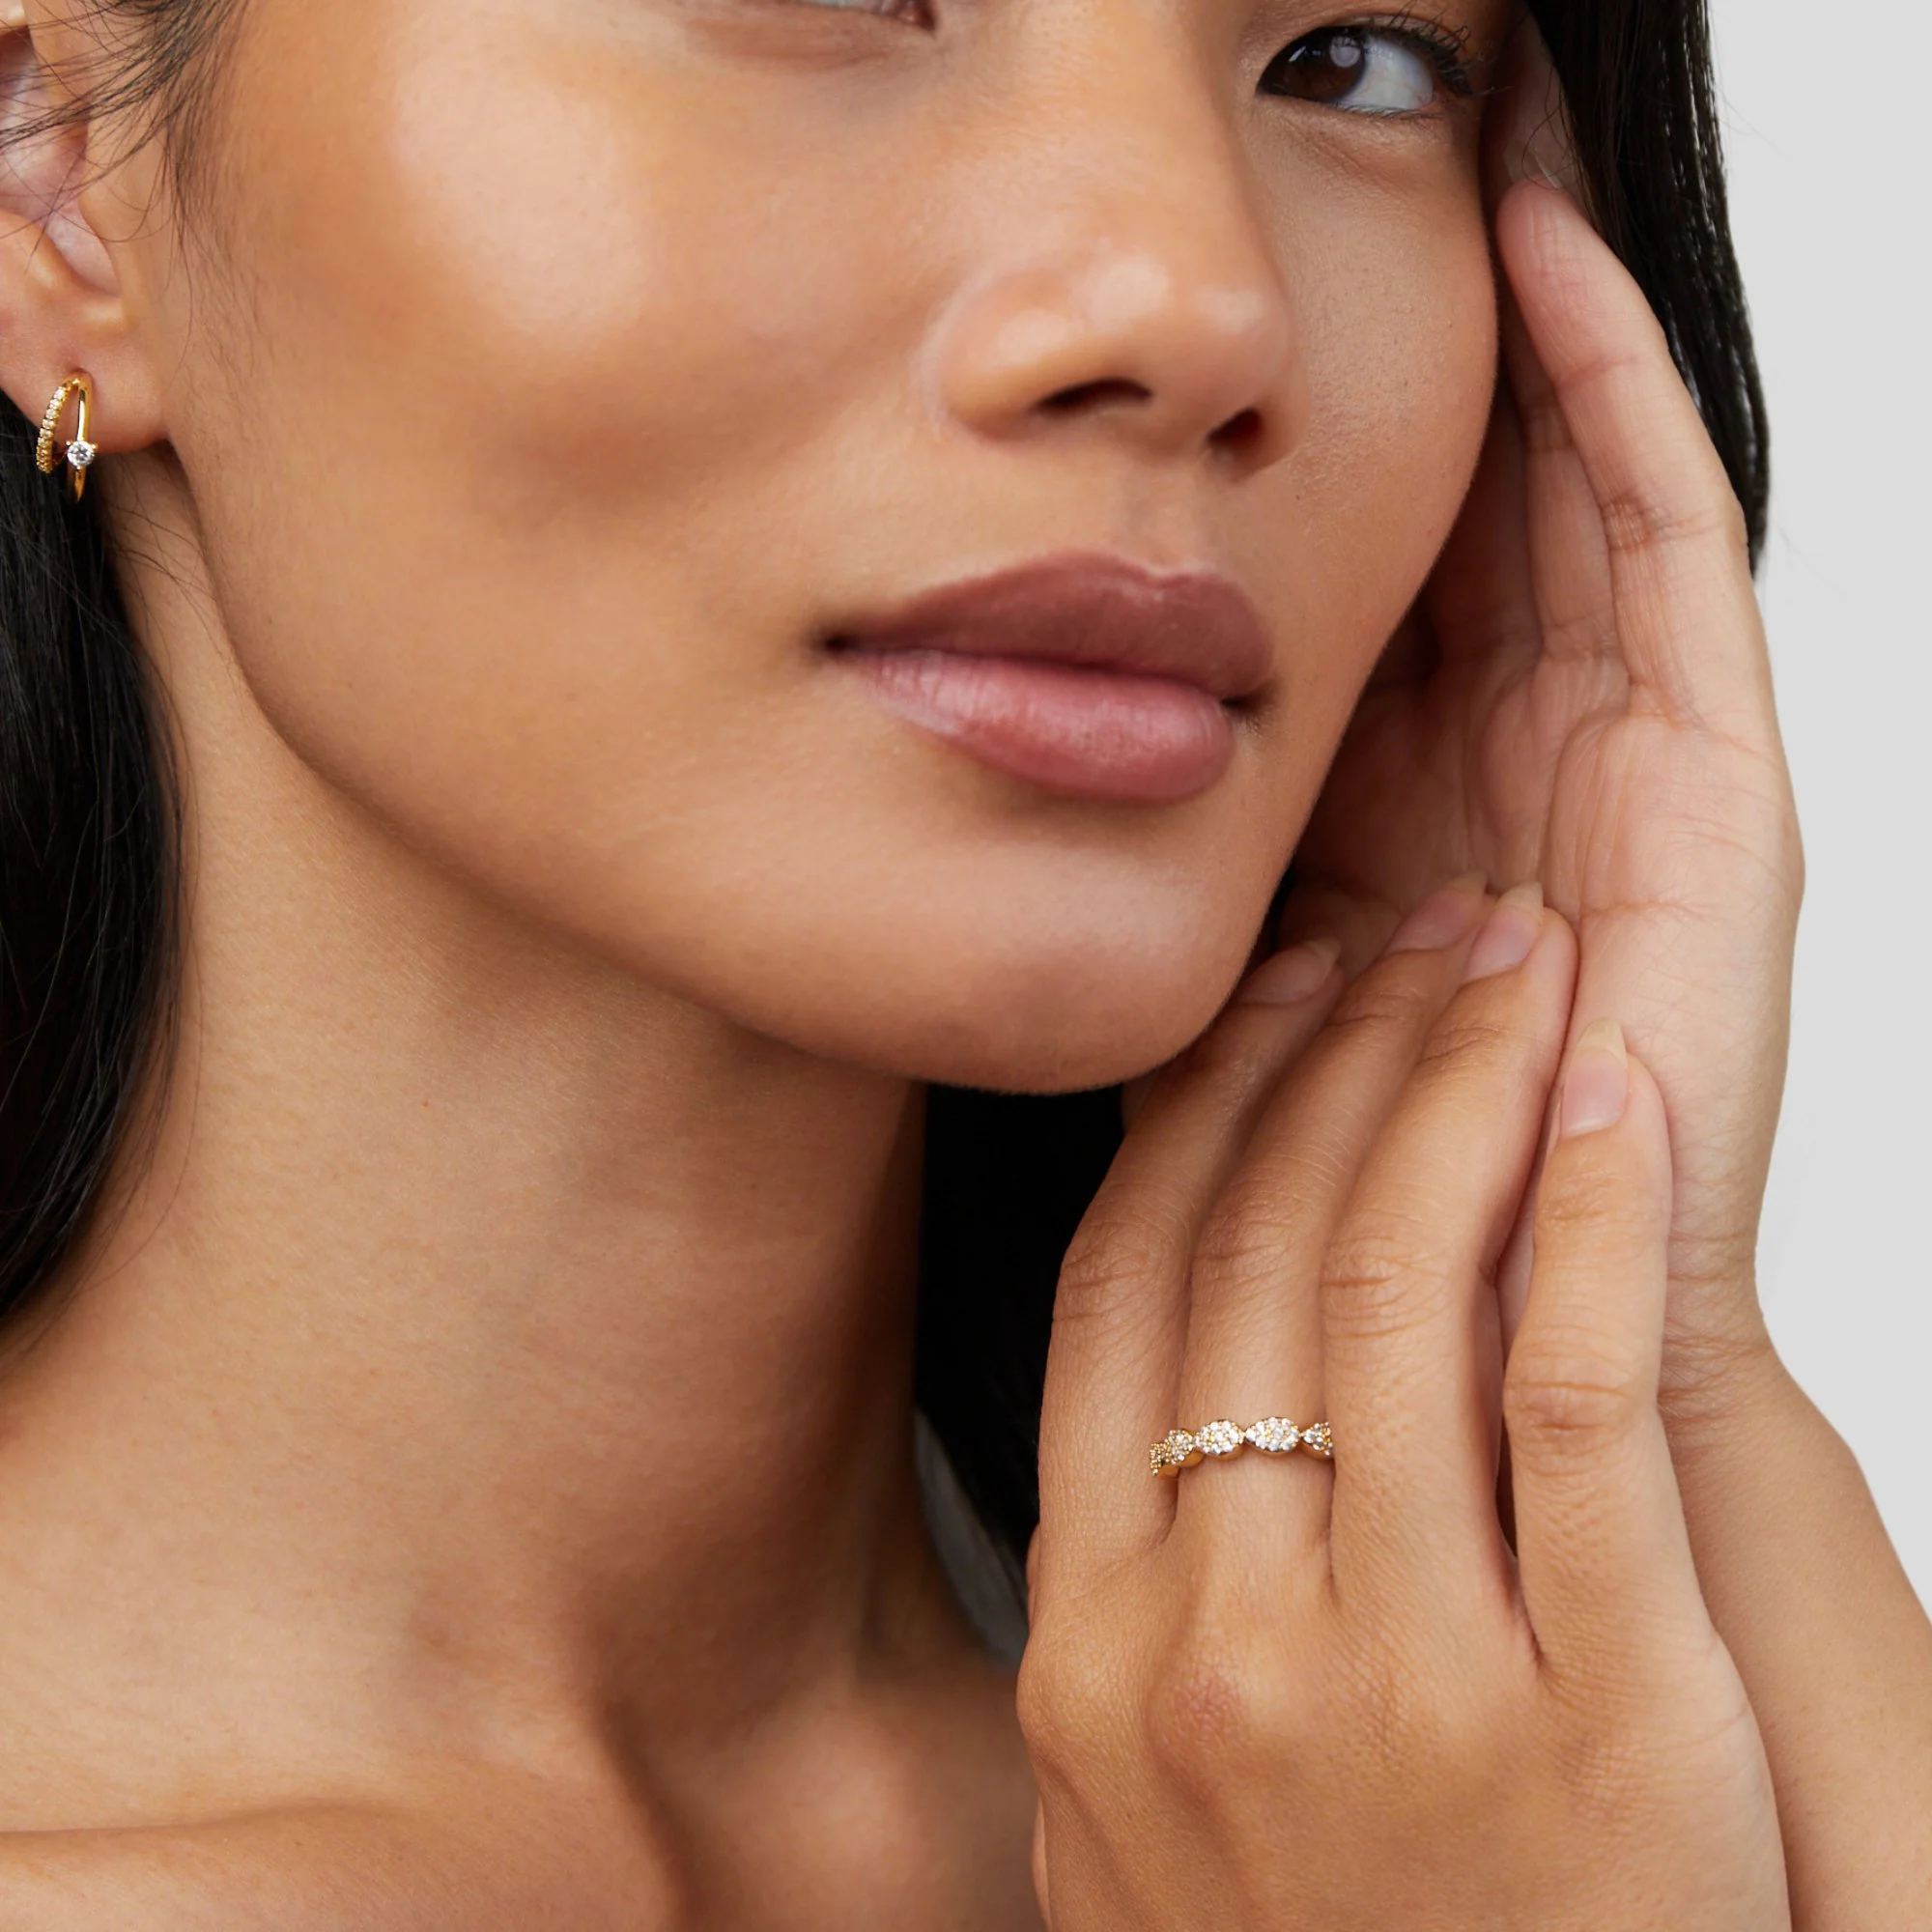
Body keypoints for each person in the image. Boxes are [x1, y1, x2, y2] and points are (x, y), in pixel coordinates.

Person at [0, 0, 1923, 1921]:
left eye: (1355, 59)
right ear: (57, 178)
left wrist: (1624, 1319)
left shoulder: (1505, 1838)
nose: (1196, 305)